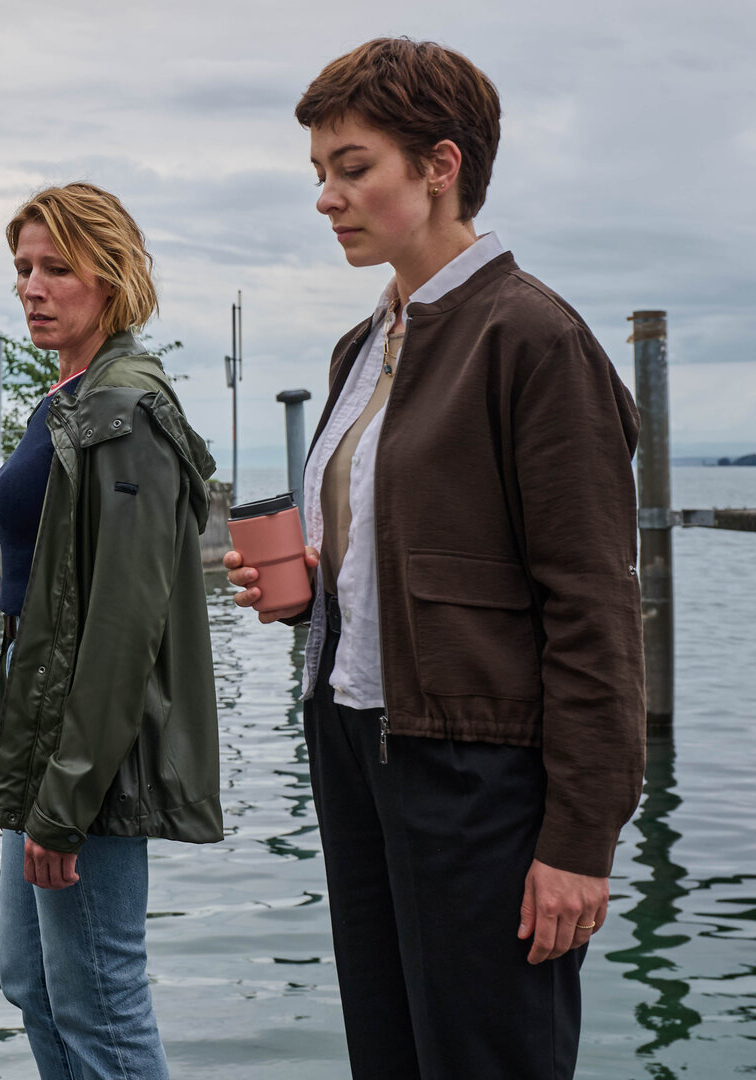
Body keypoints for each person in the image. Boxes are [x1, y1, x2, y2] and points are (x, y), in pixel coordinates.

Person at [224, 38, 644, 1078]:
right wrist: (312, 591)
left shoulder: (531, 337)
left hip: (474, 769)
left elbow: (592, 605)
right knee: (390, 1054)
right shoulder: (365, 343)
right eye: (318, 172)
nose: (325, 196)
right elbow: (427, 557)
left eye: (351, 167)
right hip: (355, 743)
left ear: (440, 165)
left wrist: (578, 841)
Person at [0, 182, 221, 1080]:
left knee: (98, 998)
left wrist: (67, 799)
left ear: (111, 278)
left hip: (89, 746)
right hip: (39, 717)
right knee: (35, 982)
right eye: (22, 269)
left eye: (55, 268)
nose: (31, 288)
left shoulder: (124, 410)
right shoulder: (70, 398)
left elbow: (124, 622)